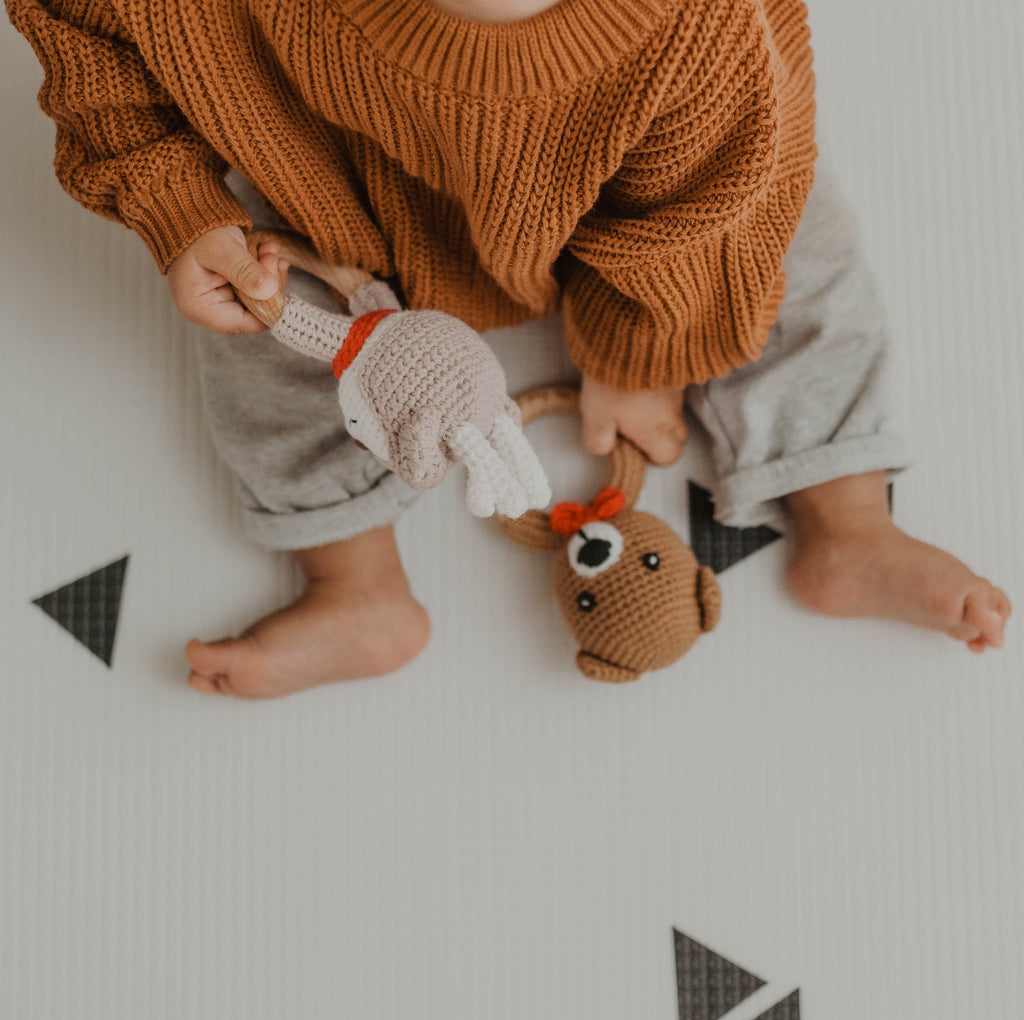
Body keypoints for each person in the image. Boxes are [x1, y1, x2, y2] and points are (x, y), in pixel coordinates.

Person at [8, 0, 1010, 700]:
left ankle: (844, 514)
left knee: (789, 236)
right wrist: (180, 208)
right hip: (325, 180)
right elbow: (93, 44)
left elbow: (705, 208)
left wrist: (638, 347)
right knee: (260, 318)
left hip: (645, 189)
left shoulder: (699, 31)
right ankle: (351, 582)